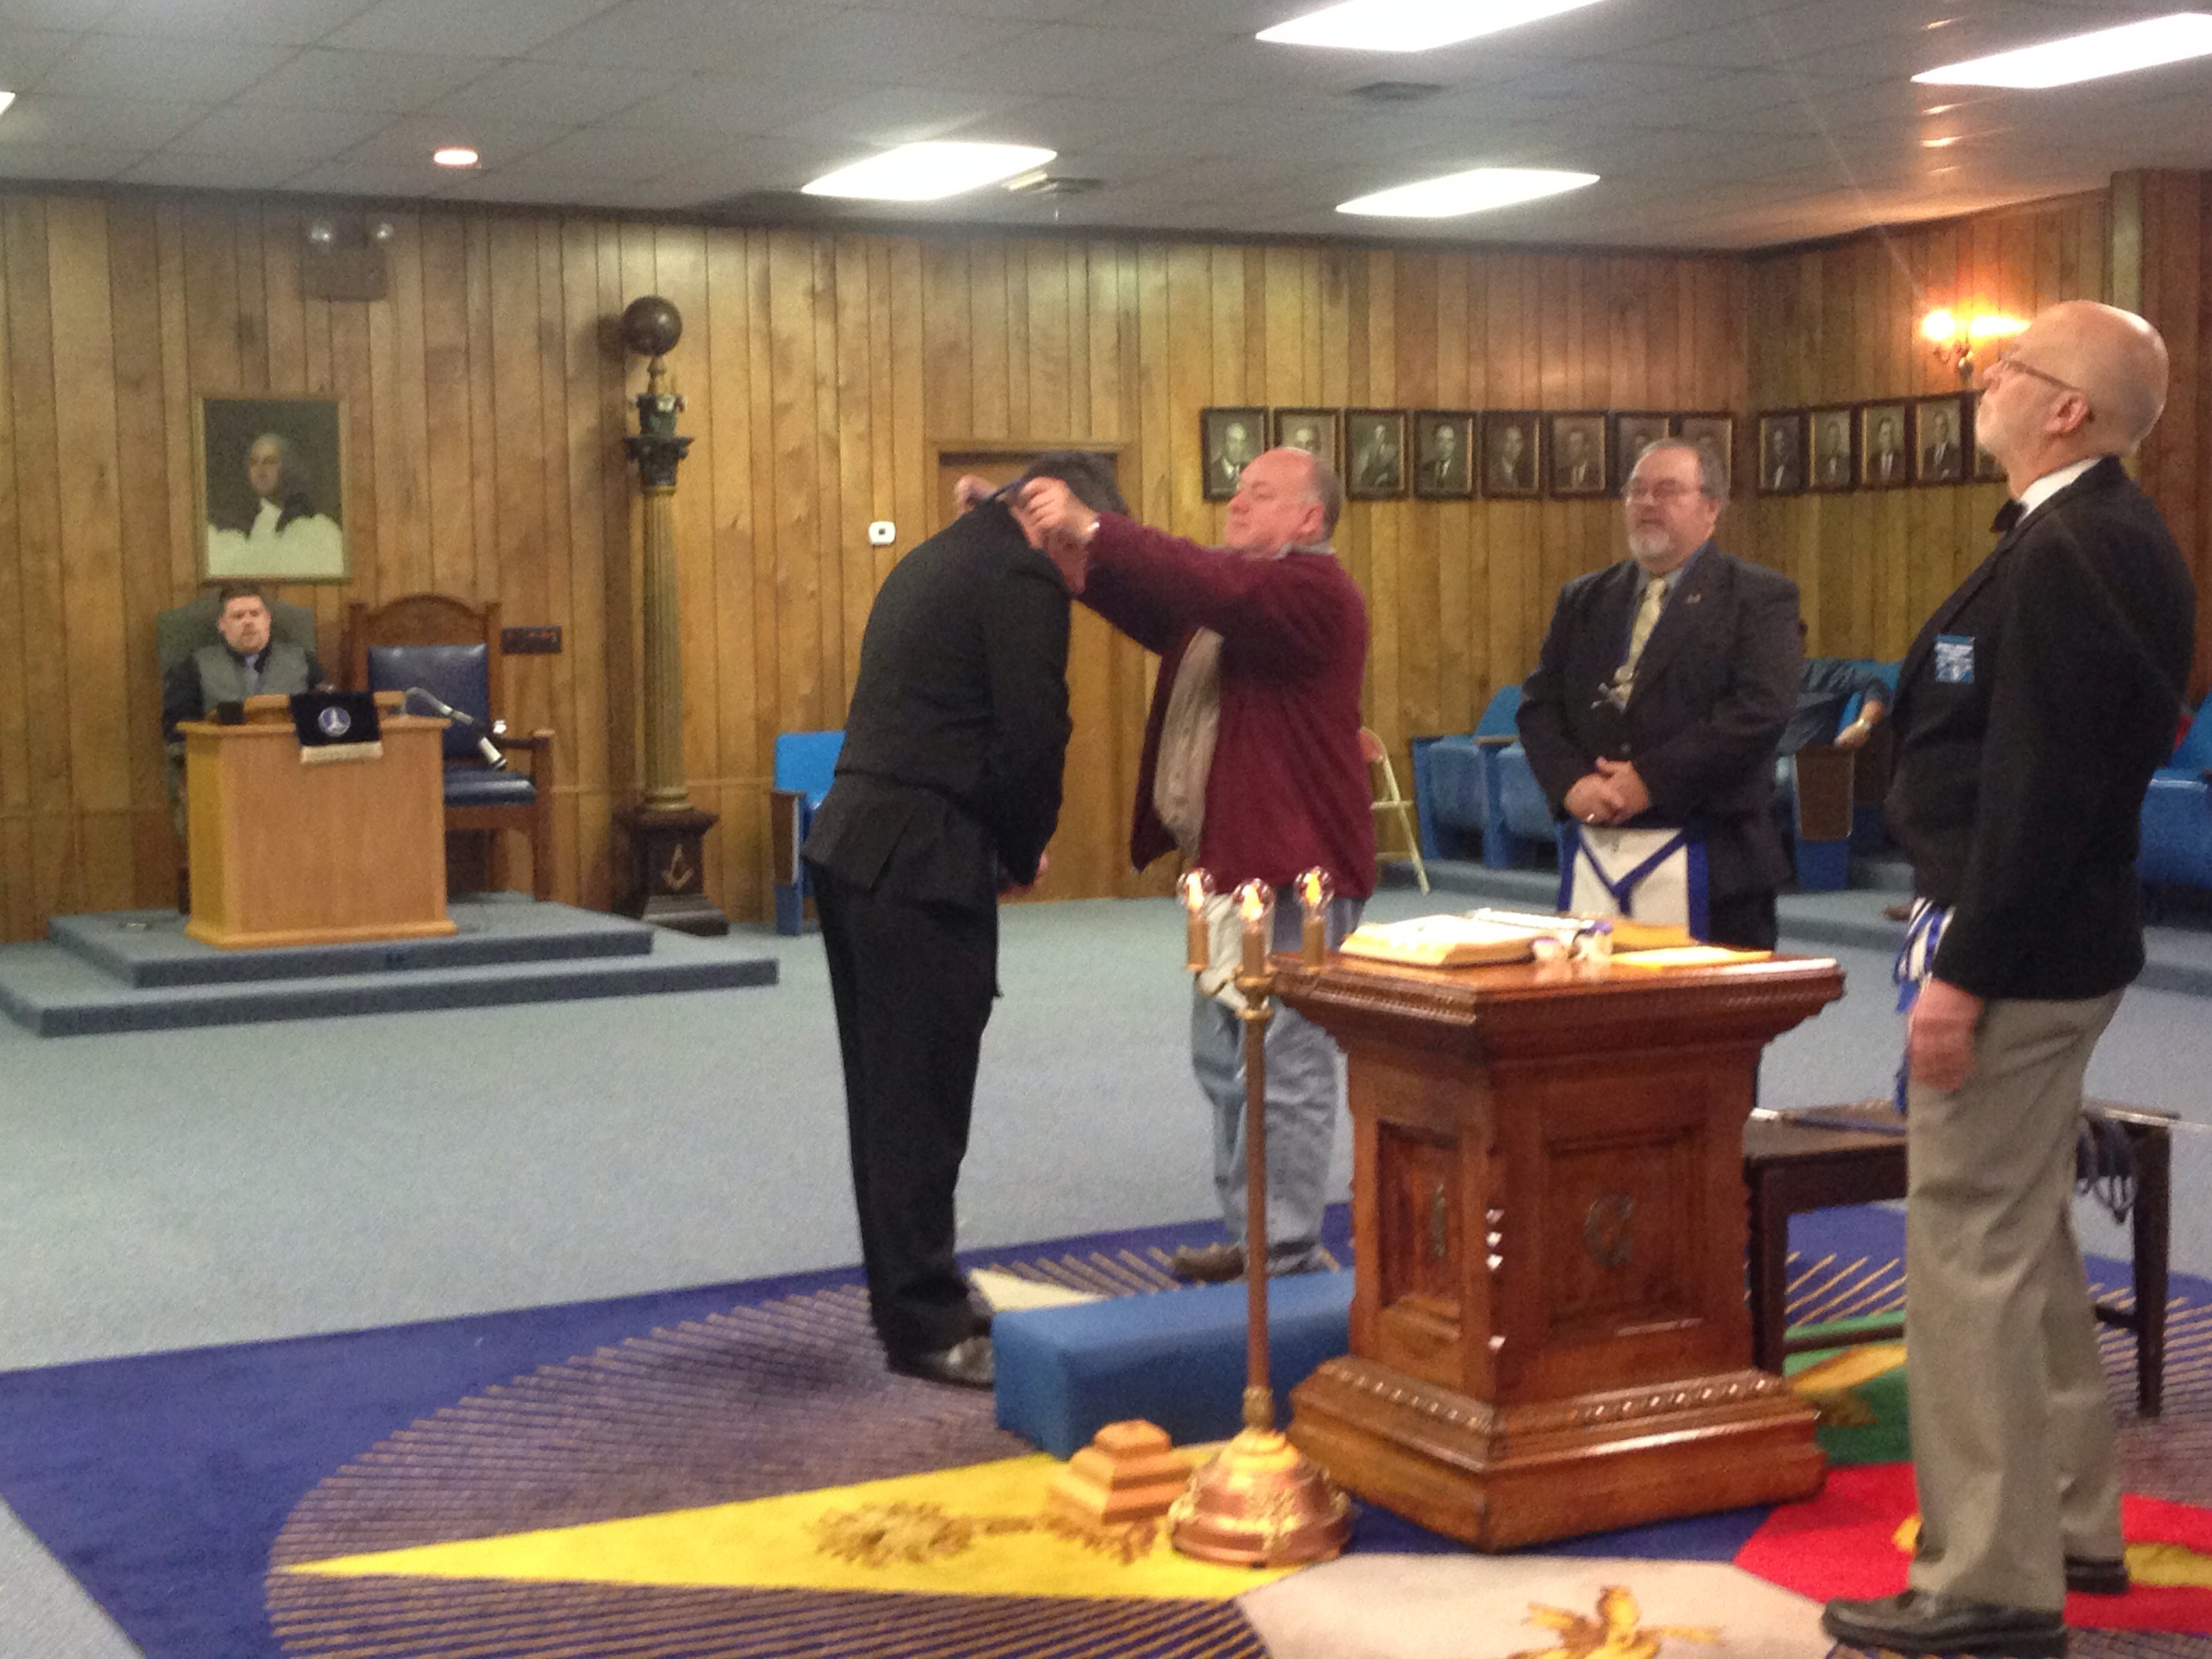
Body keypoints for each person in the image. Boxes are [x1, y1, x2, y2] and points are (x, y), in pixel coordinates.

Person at [1823, 303, 2194, 1659]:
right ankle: (2073, 1520)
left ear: (2066, 410)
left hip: (2017, 948)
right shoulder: (2078, 532)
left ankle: (1986, 1577)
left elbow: (2044, 790)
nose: (1985, 375)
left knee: (1964, 1251)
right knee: (2020, 1234)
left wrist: (1962, 975)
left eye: (2012, 363)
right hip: (2046, 936)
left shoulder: (2075, 547)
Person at [802, 453, 1126, 1390]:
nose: (1083, 582)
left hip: (861, 843)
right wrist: (1021, 849)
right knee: (923, 1101)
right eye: (1085, 555)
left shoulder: (941, 556)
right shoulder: (1020, 575)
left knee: (886, 1098)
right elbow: (1034, 734)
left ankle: (910, 1300)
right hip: (921, 857)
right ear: (1051, 521)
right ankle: (927, 1324)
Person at [1014, 447, 1372, 1284]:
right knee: (1226, 1065)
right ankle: (1253, 1238)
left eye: (1260, 494)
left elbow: (1206, 583)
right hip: (1231, 874)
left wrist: (1096, 528)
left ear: (1309, 518)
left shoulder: (1312, 592)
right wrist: (1077, 561)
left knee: (1283, 1068)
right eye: (1237, 491)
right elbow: (1168, 602)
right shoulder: (1238, 601)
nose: (1237, 503)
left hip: (1297, 879)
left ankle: (1284, 1252)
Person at [1516, 438, 1801, 948]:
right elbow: (1539, 707)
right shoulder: (1585, 599)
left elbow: (1758, 712)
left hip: (1716, 866)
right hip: (1597, 857)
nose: (1647, 503)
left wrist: (1650, 780)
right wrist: (1572, 784)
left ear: (1711, 508)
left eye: (1668, 491)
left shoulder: (1757, 597)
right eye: (1637, 491)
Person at [161, 583, 327, 740]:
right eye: (238, 616)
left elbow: (325, 716)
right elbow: (176, 726)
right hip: (222, 757)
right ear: (221, 625)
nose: (248, 622)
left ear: (268, 619)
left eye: (255, 614)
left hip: (289, 755)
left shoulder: (303, 662)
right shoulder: (195, 666)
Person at [205, 432, 345, 578]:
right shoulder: (238, 525)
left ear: (288, 467)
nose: (261, 471)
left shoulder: (314, 527)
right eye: (253, 463)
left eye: (270, 462)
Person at [1353, 421, 1401, 493]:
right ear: (1375, 435)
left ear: (1386, 435)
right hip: (1372, 485)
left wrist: (1385, 476)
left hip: (1387, 484)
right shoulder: (1370, 450)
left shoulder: (1392, 449)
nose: (1380, 436)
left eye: (1382, 433)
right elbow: (1366, 469)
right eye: (1378, 433)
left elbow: (1396, 471)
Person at [1210, 419, 1256, 494]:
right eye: (1233, 441)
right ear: (1223, 443)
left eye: (1242, 442)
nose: (1238, 448)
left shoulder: (1251, 472)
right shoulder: (1211, 472)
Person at [1421, 421, 1467, 493]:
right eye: (1441, 441)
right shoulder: (1424, 470)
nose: (1445, 446)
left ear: (1454, 444)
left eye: (1449, 441)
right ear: (1434, 442)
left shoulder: (1464, 471)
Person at [1922, 405, 1963, 481]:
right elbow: (1925, 477)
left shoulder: (1954, 451)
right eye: (1937, 426)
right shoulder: (1928, 453)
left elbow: (1955, 475)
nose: (1939, 430)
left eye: (1942, 426)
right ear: (1934, 429)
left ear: (1947, 428)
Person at [1488, 421, 1530, 491]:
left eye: (1517, 441)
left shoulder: (1524, 474)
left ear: (1522, 445)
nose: (1514, 446)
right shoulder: (1492, 474)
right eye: (1509, 441)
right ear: (1501, 444)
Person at [1868, 413, 1907, 484]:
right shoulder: (1873, 461)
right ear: (1880, 437)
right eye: (1885, 434)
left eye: (1891, 433)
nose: (1889, 438)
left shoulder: (1902, 459)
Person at [1763, 422, 1802, 492]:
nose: (1780, 445)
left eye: (1783, 441)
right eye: (1777, 442)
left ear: (1788, 442)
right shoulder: (1772, 472)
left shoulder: (1795, 470)